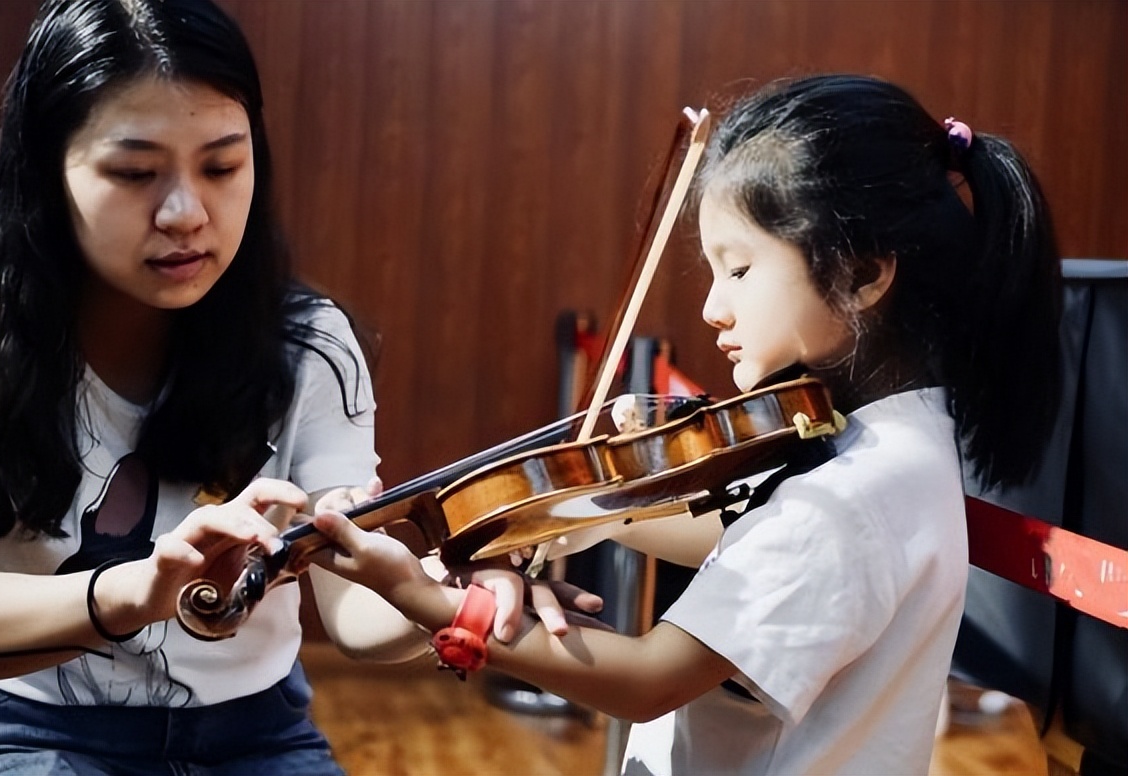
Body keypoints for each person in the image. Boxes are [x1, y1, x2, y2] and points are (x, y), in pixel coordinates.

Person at [308, 73, 1062, 775]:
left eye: (738, 269)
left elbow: (648, 678)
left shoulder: (848, 497)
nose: (713, 307)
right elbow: (750, 536)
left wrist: (432, 600)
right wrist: (591, 508)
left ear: (863, 273)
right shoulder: (886, 445)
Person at [0, 0, 436, 772]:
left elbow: (359, 620)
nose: (185, 213)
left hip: (254, 737)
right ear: (46, 171)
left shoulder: (309, 345)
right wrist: (139, 590)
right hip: (26, 729)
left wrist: (441, 591)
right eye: (135, 172)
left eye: (222, 166)